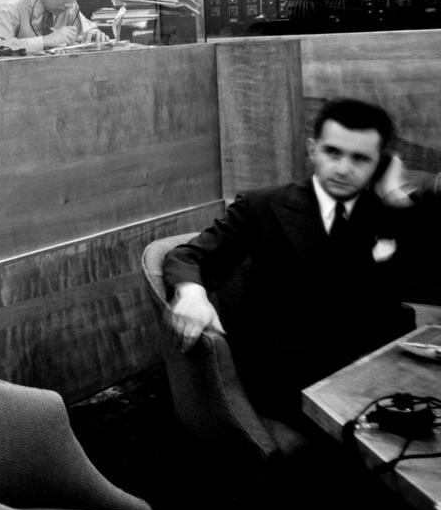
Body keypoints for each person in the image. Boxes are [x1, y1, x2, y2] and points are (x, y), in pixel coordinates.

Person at [164, 98, 440, 423]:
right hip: (294, 380)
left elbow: (423, 277)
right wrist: (191, 292)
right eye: (333, 152)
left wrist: (396, 200)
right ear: (312, 149)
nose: (343, 168)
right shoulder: (261, 205)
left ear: (379, 163)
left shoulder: (386, 210)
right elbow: (188, 255)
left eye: (361, 158)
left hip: (383, 371)